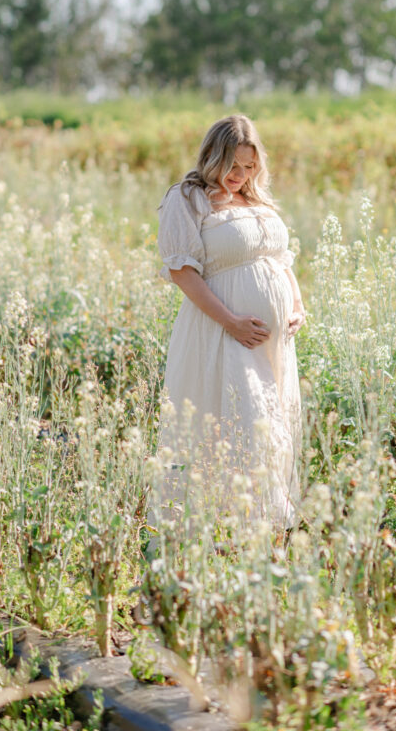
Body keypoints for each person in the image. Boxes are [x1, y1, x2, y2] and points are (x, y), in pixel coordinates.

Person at [156, 115, 305, 526]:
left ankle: (266, 526)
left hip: (272, 343)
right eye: (233, 166)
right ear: (212, 157)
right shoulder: (188, 199)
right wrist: (232, 322)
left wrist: (296, 304)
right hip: (223, 332)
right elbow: (182, 272)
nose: (240, 176)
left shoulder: (256, 200)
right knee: (240, 423)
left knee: (271, 422)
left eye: (250, 167)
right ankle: (226, 523)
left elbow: (278, 260)